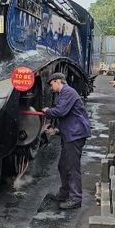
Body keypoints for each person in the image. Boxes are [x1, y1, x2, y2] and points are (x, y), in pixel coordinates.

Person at [42, 72, 91, 209]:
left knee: (72, 167)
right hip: (70, 133)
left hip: (75, 135)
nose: (51, 88)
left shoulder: (68, 92)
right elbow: (68, 117)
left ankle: (76, 199)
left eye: (51, 84)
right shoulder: (64, 94)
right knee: (63, 165)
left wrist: (47, 111)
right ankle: (64, 193)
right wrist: (56, 130)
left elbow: (61, 111)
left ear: (58, 81)